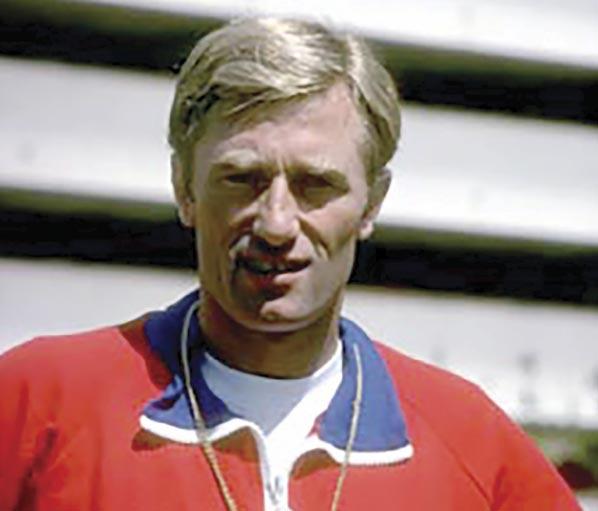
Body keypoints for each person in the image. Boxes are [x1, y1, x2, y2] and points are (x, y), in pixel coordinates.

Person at [0, 17, 580, 511]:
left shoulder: (470, 439)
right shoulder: (37, 402)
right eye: (242, 179)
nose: (276, 224)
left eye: (315, 184)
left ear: (372, 204)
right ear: (185, 188)